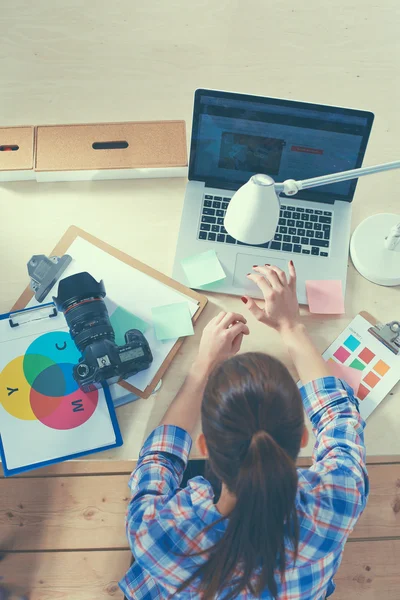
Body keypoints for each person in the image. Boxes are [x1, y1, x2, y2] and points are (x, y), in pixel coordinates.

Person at [119, 262, 368, 600]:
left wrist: (202, 366)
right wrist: (291, 326)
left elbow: (158, 459)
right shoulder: (338, 500)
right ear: (304, 439)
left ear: (205, 447)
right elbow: (339, 416)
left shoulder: (155, 533)